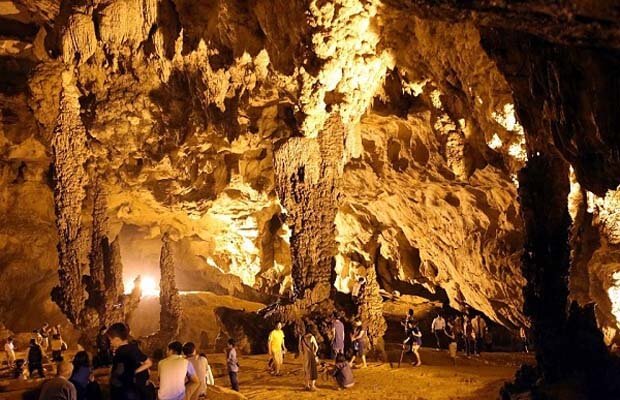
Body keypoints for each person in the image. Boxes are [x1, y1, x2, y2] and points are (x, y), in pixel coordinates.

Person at [107, 323, 153, 400]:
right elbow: (148, 362)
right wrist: (135, 371)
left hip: (124, 390)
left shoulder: (121, 352)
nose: (110, 343)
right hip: (131, 390)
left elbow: (119, 370)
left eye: (110, 340)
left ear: (117, 339)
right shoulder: (133, 348)